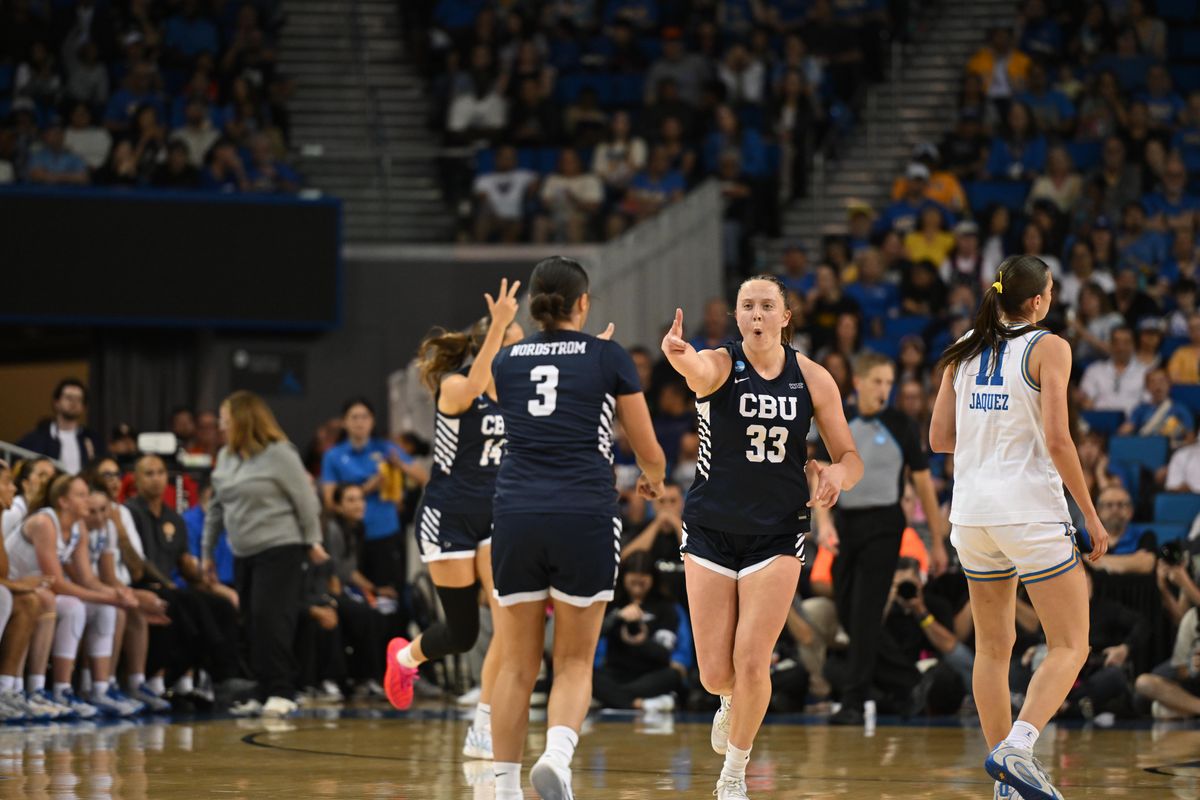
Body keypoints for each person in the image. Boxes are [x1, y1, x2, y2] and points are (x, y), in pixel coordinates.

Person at [402, 256, 665, 800]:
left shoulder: (506, 362)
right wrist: (653, 480)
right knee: (571, 659)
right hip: (584, 515)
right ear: (583, 304)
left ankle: (502, 787)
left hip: (514, 517)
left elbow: (528, 400)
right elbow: (650, 451)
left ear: (535, 306)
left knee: (515, 662)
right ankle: (557, 757)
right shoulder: (607, 356)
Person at [661, 275, 862, 800]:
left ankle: (733, 776)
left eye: (766, 305)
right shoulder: (722, 364)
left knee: (754, 661)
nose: (755, 314)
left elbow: (850, 457)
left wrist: (838, 476)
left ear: (785, 316)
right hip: (710, 527)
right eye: (746, 305)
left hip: (777, 530)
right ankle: (729, 701)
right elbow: (697, 369)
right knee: (714, 675)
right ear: (737, 315)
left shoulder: (813, 378)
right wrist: (679, 355)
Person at [930, 254, 1110, 800]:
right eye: (1050, 291)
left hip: (971, 515)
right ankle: (1019, 745)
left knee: (992, 649)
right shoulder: (1049, 346)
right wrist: (1091, 516)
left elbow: (939, 437)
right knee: (1071, 645)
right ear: (1036, 301)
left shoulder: (964, 347)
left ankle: (1005, 785)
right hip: (1028, 511)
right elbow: (1059, 439)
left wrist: (989, 436)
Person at [385, 279, 524, 767]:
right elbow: (472, 384)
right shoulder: (455, 383)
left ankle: (482, 725)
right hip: (446, 515)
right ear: (493, 342)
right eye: (514, 339)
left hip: (494, 516)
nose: (522, 349)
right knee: (461, 632)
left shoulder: (517, 396)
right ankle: (403, 659)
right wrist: (497, 330)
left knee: (508, 621)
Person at [817, 352, 949, 726]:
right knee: (847, 609)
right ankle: (907, 682)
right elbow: (821, 473)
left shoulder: (900, 424)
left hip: (885, 524)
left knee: (865, 612)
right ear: (857, 382)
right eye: (877, 381)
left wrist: (938, 541)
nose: (884, 389)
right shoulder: (838, 420)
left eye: (889, 382)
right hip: (846, 522)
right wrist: (824, 523)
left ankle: (855, 701)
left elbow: (923, 482)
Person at [203, 391, 326, 718]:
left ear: (243, 420)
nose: (220, 425)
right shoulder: (226, 457)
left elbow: (306, 502)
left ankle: (283, 690)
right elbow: (216, 508)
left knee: (272, 619)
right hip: (243, 552)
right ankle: (262, 689)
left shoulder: (280, 454)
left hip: (281, 548)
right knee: (252, 622)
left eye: (225, 419)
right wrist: (207, 554)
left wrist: (313, 542)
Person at [10, 474, 141, 718]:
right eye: (80, 495)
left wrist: (118, 594)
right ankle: (36, 689)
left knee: (105, 609)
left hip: (39, 589)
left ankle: (90, 689)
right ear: (64, 502)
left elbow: (87, 579)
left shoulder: (78, 527)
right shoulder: (45, 522)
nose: (87, 499)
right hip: (16, 586)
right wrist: (112, 597)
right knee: (72, 606)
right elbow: (57, 583)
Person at [320, 399, 424, 597]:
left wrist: (399, 466)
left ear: (373, 421)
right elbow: (330, 501)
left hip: (385, 532)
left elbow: (423, 477)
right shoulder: (334, 455)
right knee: (359, 595)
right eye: (354, 417)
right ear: (344, 422)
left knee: (393, 595)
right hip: (351, 537)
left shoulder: (385, 448)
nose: (360, 422)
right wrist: (369, 487)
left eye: (365, 417)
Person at [592, 551, 683, 711]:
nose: (637, 588)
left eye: (642, 582)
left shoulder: (666, 607)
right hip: (616, 672)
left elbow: (664, 653)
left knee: (673, 676)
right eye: (633, 582)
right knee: (588, 676)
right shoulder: (612, 603)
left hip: (650, 673)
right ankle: (641, 704)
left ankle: (612, 699)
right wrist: (617, 617)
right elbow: (594, 635)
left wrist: (641, 642)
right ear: (624, 578)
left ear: (653, 579)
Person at [17, 379, 106, 475]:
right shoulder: (37, 438)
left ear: (83, 407)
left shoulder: (93, 439)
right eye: (69, 398)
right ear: (56, 402)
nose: (74, 403)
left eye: (79, 399)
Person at [2, 457, 55, 538]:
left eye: (51, 478)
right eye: (41, 475)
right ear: (25, 483)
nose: (46, 481)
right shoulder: (13, 511)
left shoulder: (47, 513)